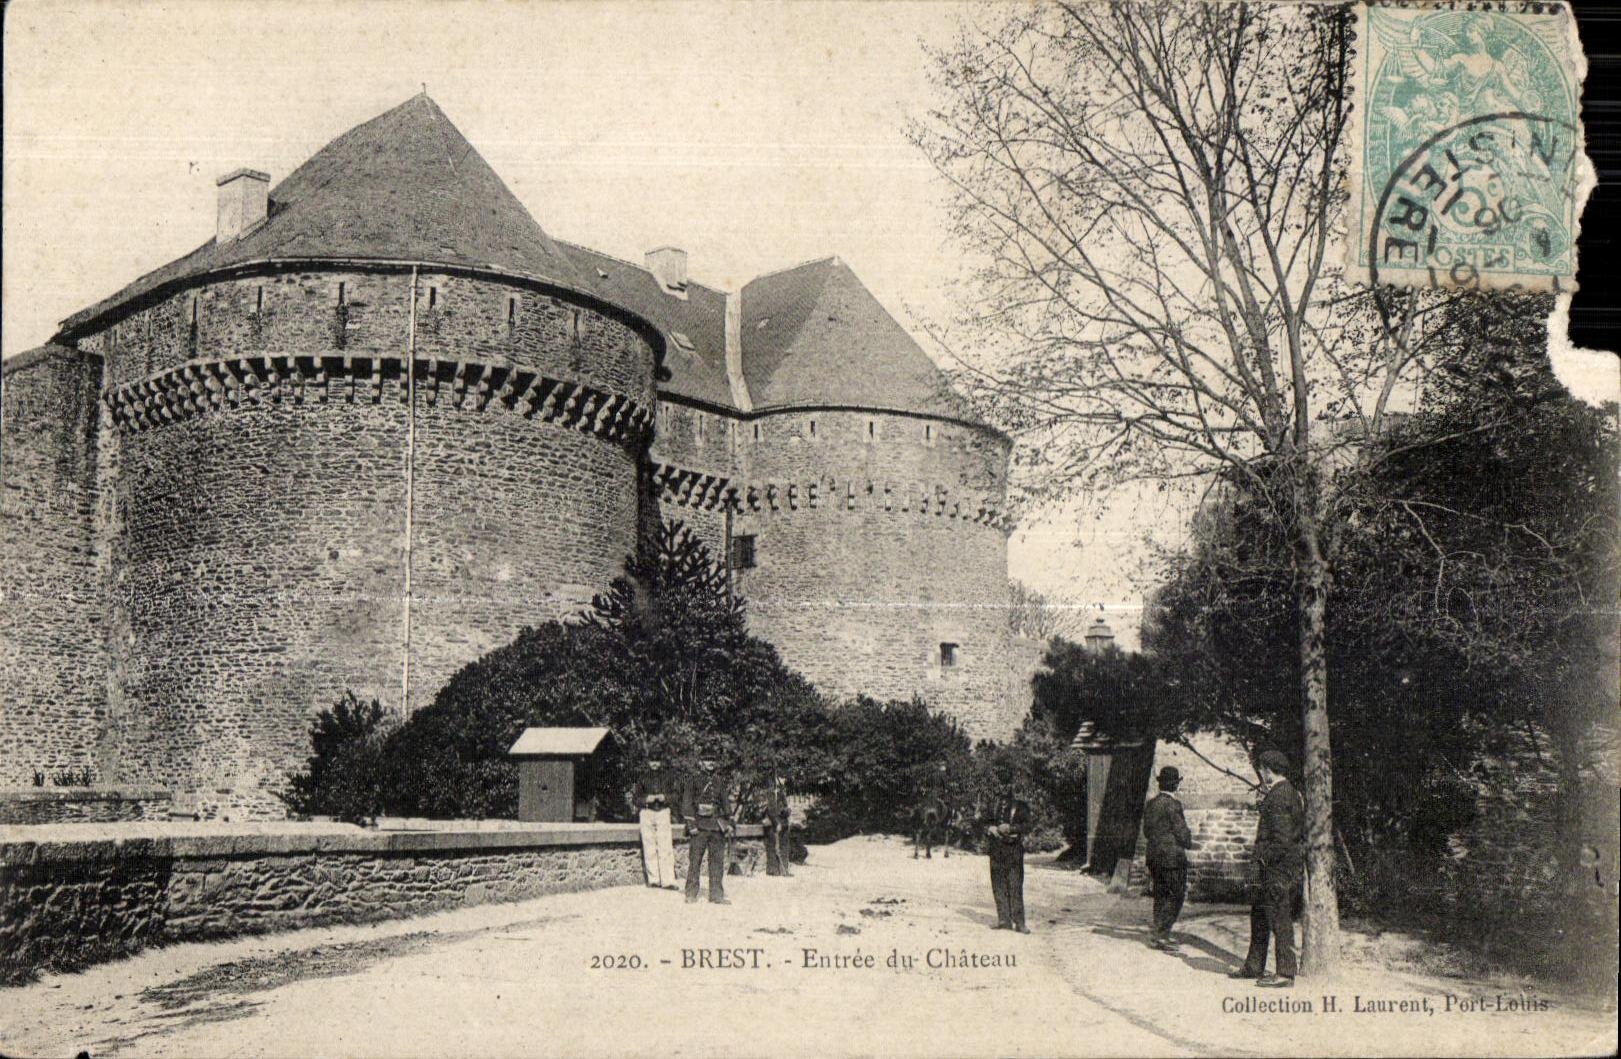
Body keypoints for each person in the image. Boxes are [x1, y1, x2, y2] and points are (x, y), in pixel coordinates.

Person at [1230, 750, 1306, 988]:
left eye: (1262, 769)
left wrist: (1262, 860)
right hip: (1276, 866)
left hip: (1277, 868)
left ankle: (1285, 973)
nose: (1261, 774)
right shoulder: (1287, 793)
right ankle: (1254, 966)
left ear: (1269, 770)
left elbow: (1282, 839)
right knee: (1260, 914)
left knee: (1279, 917)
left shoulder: (1280, 796)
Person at [1142, 765, 1194, 952]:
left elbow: (1147, 832)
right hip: (1172, 858)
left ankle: (1158, 934)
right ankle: (1162, 934)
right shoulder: (1173, 805)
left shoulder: (1151, 804)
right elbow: (1182, 833)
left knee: (1160, 895)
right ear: (1175, 785)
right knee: (1177, 895)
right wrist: (1188, 842)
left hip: (1154, 856)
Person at [680, 754, 734, 904]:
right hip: (699, 826)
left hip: (716, 827)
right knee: (695, 861)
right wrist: (691, 825)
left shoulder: (719, 781)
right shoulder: (693, 779)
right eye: (707, 760)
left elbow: (726, 804)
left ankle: (716, 894)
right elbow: (686, 804)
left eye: (713, 760)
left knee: (717, 862)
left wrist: (729, 823)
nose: (710, 763)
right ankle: (691, 893)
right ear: (700, 763)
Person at [986, 785, 1032, 933]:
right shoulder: (993, 806)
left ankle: (1019, 923)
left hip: (1013, 851)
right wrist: (989, 829)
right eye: (1000, 788)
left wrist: (1011, 829)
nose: (1003, 795)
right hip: (996, 850)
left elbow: (1028, 825)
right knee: (998, 885)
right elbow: (982, 823)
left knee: (1015, 885)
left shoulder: (1022, 806)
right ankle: (1004, 920)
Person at [633, 756, 679, 889]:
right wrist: (646, 799)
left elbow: (676, 795)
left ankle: (668, 880)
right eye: (652, 761)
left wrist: (665, 797)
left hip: (663, 812)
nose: (654, 764)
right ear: (648, 762)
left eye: (657, 761)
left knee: (665, 845)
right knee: (649, 846)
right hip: (647, 812)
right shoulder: (642, 778)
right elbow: (636, 799)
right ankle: (654, 879)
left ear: (661, 762)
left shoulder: (668, 777)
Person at [760, 769, 793, 877]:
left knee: (784, 846)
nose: (784, 780)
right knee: (772, 846)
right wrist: (776, 823)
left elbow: (784, 807)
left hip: (783, 822)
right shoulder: (771, 792)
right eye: (782, 777)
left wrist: (787, 811)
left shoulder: (781, 792)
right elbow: (770, 810)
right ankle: (773, 869)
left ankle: (784, 869)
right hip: (773, 823)